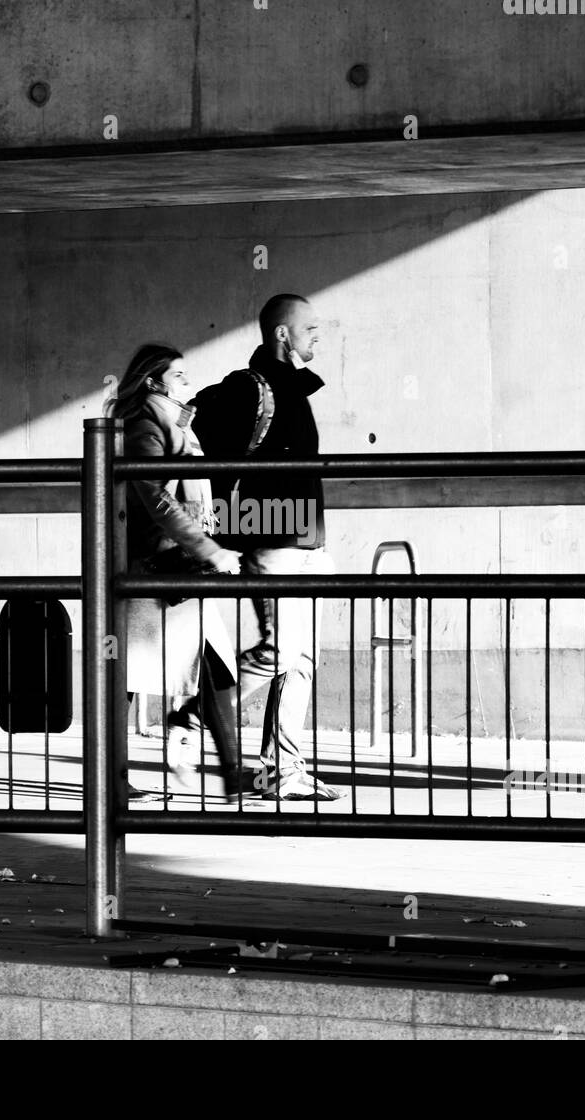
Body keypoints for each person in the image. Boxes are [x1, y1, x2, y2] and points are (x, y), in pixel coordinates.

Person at [182, 295, 346, 801]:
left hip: (304, 539)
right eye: (310, 328)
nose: (319, 335)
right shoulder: (248, 389)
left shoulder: (295, 391)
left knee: (302, 661)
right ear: (282, 334)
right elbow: (196, 446)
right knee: (279, 654)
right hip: (271, 537)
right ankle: (200, 711)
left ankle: (282, 770)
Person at [106, 344, 253, 802]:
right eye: (179, 375)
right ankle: (112, 782)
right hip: (156, 570)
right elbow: (156, 496)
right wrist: (210, 550)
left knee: (214, 671)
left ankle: (232, 773)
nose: (188, 381)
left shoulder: (175, 422)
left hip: (178, 570)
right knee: (129, 680)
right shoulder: (146, 425)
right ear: (155, 382)